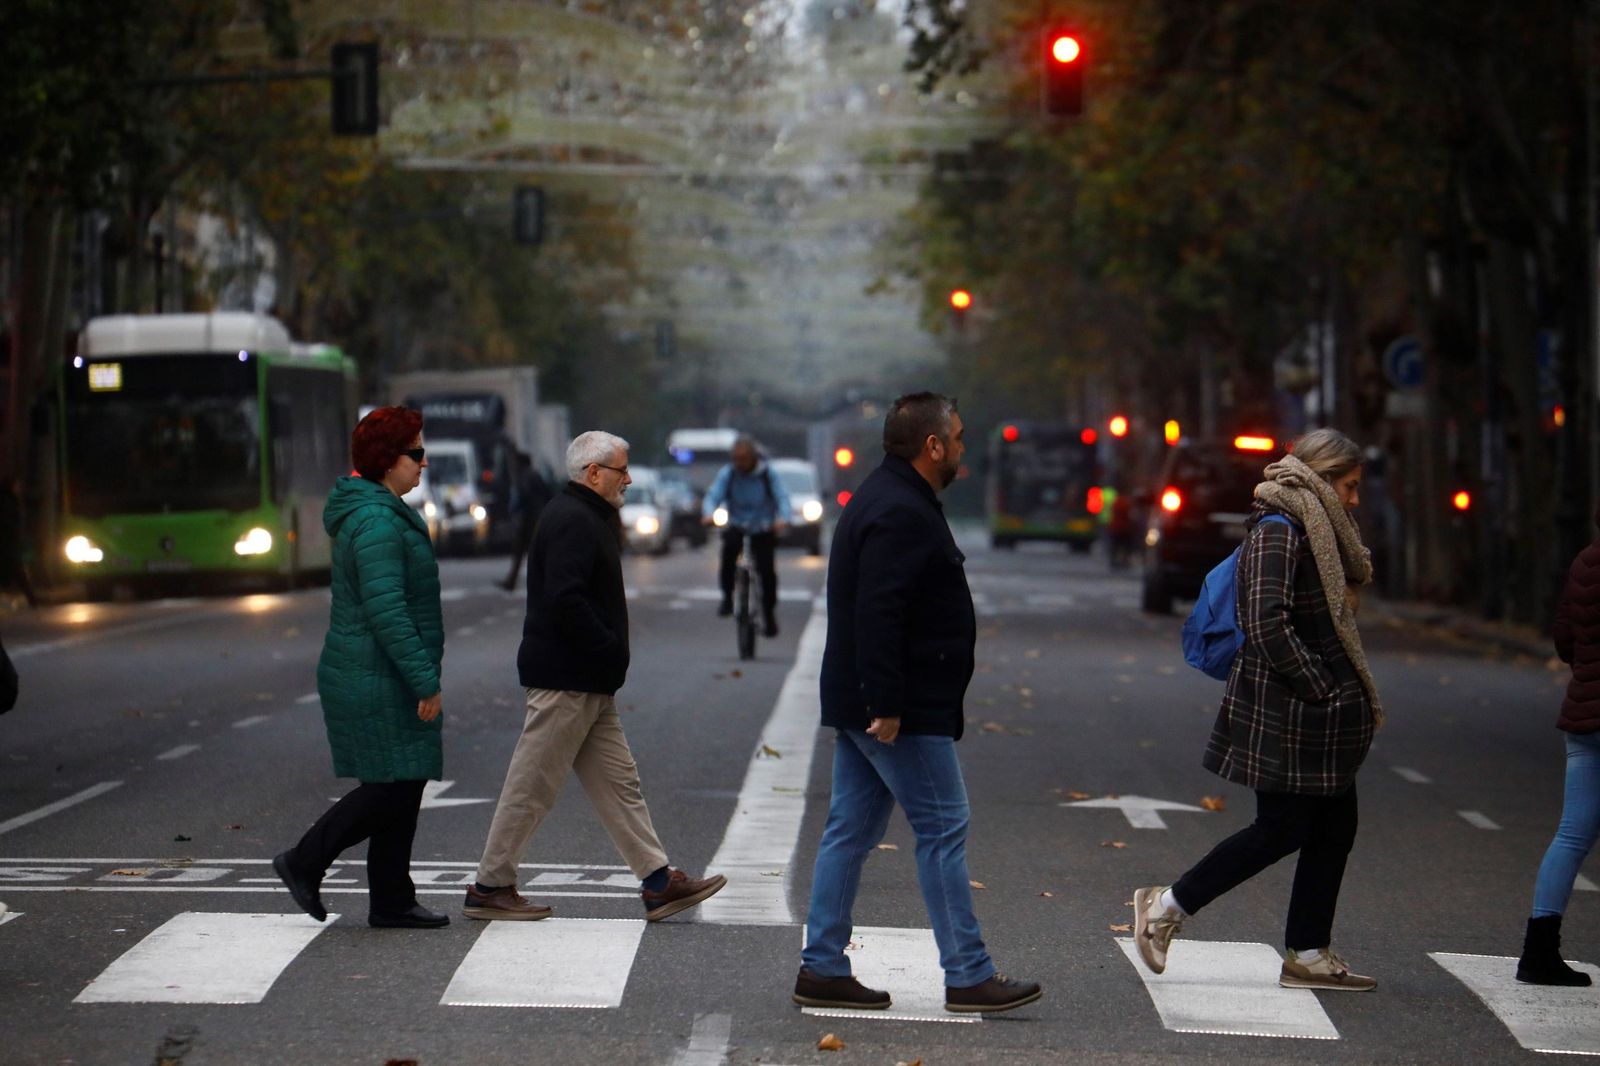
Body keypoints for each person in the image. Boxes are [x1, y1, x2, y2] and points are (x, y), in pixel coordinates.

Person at [794, 392, 1042, 1015]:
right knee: (942, 828)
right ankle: (968, 974)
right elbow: (881, 611)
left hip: (870, 701)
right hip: (897, 707)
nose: (962, 448)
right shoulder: (901, 509)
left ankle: (822, 966)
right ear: (932, 446)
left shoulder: (885, 496)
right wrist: (887, 702)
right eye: (956, 438)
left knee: (850, 830)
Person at [1133, 427, 1382, 991]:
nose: (1355, 499)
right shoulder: (1281, 529)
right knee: (1282, 828)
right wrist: (1321, 686)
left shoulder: (1315, 529)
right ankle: (1166, 906)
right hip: (1288, 709)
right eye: (1348, 485)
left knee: (1334, 826)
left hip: (1313, 713)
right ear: (1320, 477)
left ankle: (1309, 952)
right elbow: (1266, 620)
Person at [464, 430, 726, 922]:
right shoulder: (573, 520)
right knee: (532, 784)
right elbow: (565, 600)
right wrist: (606, 646)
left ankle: (656, 882)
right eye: (621, 470)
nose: (627, 478)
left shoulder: (586, 516)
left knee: (619, 784)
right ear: (593, 473)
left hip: (588, 681)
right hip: (567, 677)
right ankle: (489, 885)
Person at [273, 406, 449, 930]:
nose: (424, 462)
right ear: (387, 459)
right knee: (390, 787)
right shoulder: (375, 520)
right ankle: (304, 861)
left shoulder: (382, 510)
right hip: (375, 673)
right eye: (415, 452)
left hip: (377, 670)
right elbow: (386, 608)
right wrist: (424, 679)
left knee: (405, 779)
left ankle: (392, 898)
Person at [1515, 506, 1600, 985]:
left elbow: (1565, 639)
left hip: (1585, 716)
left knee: (1570, 837)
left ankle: (1539, 952)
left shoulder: (1586, 561)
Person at [700, 436, 792, 637]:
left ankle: (768, 613)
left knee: (767, 572)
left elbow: (782, 497)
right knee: (727, 557)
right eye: (735, 459)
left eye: (743, 459)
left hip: (763, 527)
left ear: (753, 457)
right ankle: (727, 597)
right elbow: (714, 495)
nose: (739, 463)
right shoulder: (729, 474)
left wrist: (783, 518)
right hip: (737, 524)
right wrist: (708, 513)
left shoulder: (768, 474)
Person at [496, 451, 553, 592]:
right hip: (539, 518)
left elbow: (522, 497)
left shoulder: (524, 477)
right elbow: (548, 494)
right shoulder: (536, 475)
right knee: (537, 552)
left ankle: (513, 581)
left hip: (529, 520)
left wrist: (514, 511)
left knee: (523, 552)